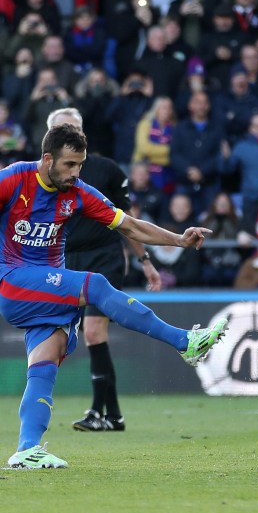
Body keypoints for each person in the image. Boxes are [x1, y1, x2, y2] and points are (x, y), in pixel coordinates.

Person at [0, 124, 228, 469]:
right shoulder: (10, 180)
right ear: (48, 158)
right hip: (12, 279)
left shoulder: (79, 193)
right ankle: (184, 341)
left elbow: (130, 226)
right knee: (95, 284)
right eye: (69, 165)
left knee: (45, 363)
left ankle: (27, 449)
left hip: (48, 291)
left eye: (80, 165)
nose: (75, 173)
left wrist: (179, 240)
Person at [46, 108, 162, 433]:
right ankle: (114, 415)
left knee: (95, 331)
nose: (69, 133)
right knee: (82, 337)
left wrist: (145, 261)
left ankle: (99, 411)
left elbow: (129, 222)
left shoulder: (106, 170)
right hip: (66, 261)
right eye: (62, 129)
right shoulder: (44, 175)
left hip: (104, 256)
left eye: (73, 128)